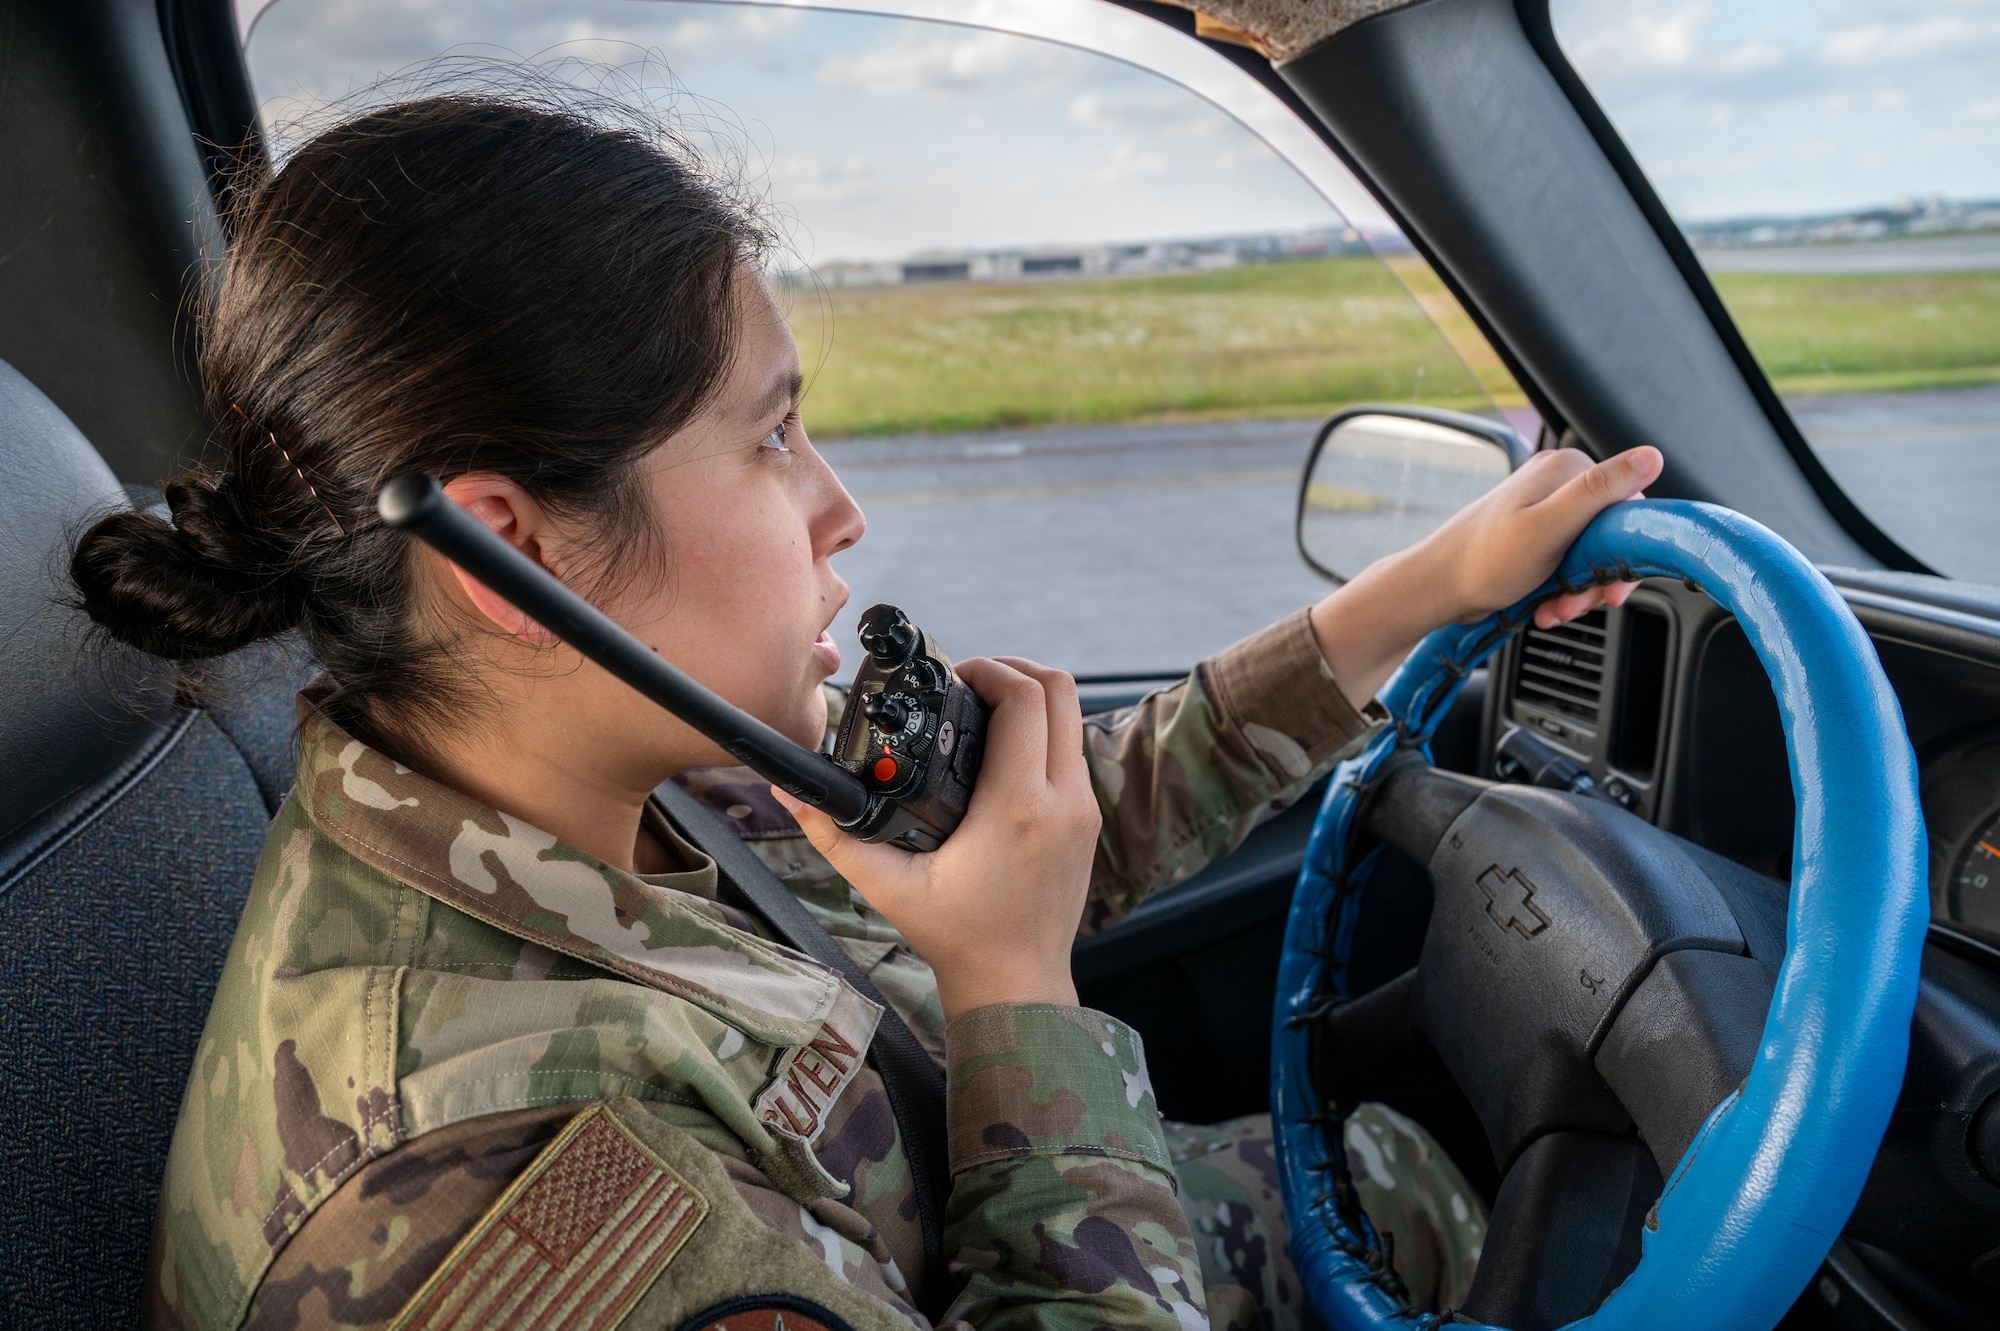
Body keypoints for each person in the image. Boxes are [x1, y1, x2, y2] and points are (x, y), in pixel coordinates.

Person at [72, 91, 1660, 1331]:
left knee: (1404, 1175)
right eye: (772, 440)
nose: (840, 508)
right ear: (515, 551)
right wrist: (1014, 987)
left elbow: (996, 861)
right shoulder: (493, 1193)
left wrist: (1422, 590)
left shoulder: (615, 762)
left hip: (1087, 1235)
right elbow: (996, 929)